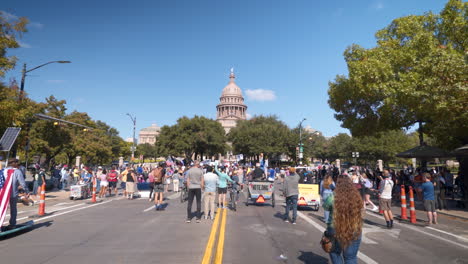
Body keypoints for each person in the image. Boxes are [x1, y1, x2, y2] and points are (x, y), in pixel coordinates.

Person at [323, 176, 363, 264]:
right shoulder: (357, 197)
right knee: (350, 257)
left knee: (335, 253)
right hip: (354, 228)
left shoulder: (333, 197)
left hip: (335, 229)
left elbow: (325, 207)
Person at [4, 158, 30, 229]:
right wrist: (27, 191)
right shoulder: (17, 171)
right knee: (13, 209)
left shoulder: (4, 170)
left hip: (3, 193)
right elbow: (23, 183)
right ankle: (12, 224)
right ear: (14, 163)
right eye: (17, 163)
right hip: (13, 193)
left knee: (2, 208)